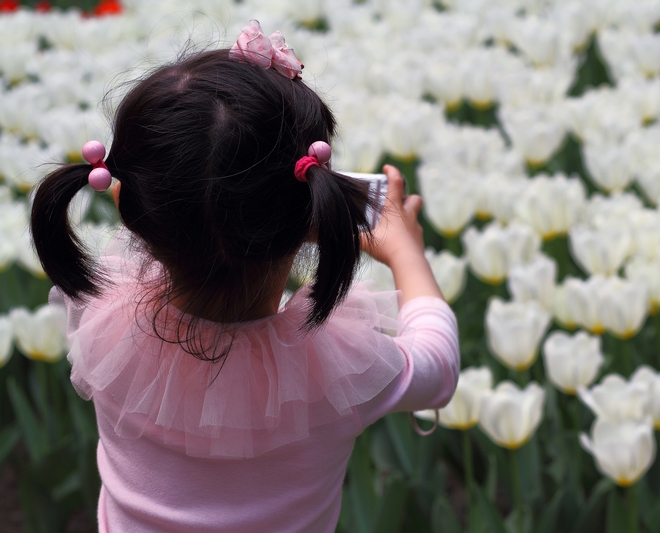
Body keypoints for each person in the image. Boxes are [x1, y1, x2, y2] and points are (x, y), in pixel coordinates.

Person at [30, 21, 459, 533]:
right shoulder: (333, 372)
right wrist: (405, 253)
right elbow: (438, 364)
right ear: (309, 215)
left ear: (130, 207)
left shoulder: (103, 323)